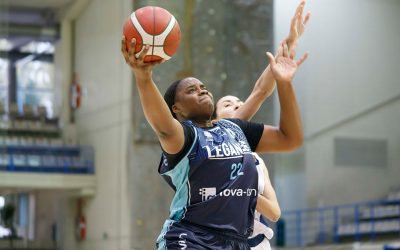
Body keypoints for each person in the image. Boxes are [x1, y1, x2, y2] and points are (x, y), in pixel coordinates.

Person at [121, 7, 308, 250]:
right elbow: (164, 127)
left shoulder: (234, 130)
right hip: (191, 238)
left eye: (203, 86)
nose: (202, 90)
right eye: (191, 90)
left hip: (236, 242)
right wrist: (143, 77)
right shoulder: (185, 138)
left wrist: (284, 80)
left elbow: (289, 138)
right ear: (176, 109)